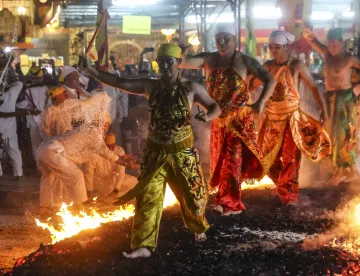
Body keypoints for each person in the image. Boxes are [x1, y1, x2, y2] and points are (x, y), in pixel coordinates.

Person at [81, 43, 222, 258]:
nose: (165, 66)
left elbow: (215, 107)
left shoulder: (191, 88)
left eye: (169, 62)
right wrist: (91, 71)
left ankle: (198, 228)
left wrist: (207, 116)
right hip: (155, 152)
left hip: (183, 151)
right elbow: (119, 82)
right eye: (161, 62)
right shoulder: (150, 86)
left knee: (193, 195)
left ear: (178, 63)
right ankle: (143, 246)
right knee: (148, 196)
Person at [179, 23, 276, 215]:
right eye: (218, 39)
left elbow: (270, 80)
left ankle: (231, 203)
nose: (222, 43)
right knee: (222, 161)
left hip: (239, 119)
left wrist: (261, 102)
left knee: (233, 159)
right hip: (218, 119)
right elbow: (182, 62)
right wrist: (179, 52)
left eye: (226, 38)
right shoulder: (208, 59)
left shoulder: (245, 61)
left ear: (234, 39)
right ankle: (225, 198)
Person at [255, 30, 329, 204]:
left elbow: (314, 88)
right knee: (265, 158)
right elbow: (253, 84)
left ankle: (289, 196)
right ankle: (283, 185)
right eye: (271, 47)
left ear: (286, 46)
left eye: (277, 47)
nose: (273, 50)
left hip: (291, 119)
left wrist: (323, 111)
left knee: (290, 158)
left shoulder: (297, 66)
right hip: (271, 119)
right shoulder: (267, 67)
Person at [302, 27, 360, 185]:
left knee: (342, 135)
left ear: (342, 43)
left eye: (334, 44)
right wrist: (307, 33)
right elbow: (312, 41)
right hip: (330, 99)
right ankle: (352, 172)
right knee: (331, 134)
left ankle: (340, 172)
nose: (331, 47)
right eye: (329, 44)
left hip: (345, 99)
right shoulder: (326, 53)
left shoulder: (350, 59)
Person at [37, 111, 129, 216]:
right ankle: (81, 209)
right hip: (53, 151)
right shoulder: (94, 132)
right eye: (106, 124)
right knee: (77, 176)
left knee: (48, 178)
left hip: (43, 149)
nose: (107, 128)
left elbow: (103, 152)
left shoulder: (86, 129)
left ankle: (43, 209)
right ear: (100, 123)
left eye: (108, 125)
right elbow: (106, 153)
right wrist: (125, 162)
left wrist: (122, 158)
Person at [84, 133, 137, 200]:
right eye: (108, 146)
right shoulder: (95, 153)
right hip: (99, 181)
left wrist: (116, 190)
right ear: (104, 146)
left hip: (114, 177)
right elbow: (89, 172)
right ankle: (107, 197)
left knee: (135, 182)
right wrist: (89, 191)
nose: (110, 148)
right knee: (107, 192)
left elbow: (121, 173)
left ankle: (114, 196)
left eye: (112, 145)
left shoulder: (119, 150)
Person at [16, 68, 49, 160]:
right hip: (45, 120)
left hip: (34, 120)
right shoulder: (46, 89)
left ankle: (39, 163)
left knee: (36, 143)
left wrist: (16, 104)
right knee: (47, 142)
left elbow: (25, 104)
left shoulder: (28, 90)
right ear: (41, 77)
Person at [0, 70, 25, 179]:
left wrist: (5, 84)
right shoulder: (11, 92)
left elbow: (20, 84)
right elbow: (19, 84)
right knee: (14, 151)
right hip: (8, 129)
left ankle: (18, 174)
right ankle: (18, 174)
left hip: (9, 129)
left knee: (14, 151)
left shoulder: (10, 93)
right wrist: (6, 84)